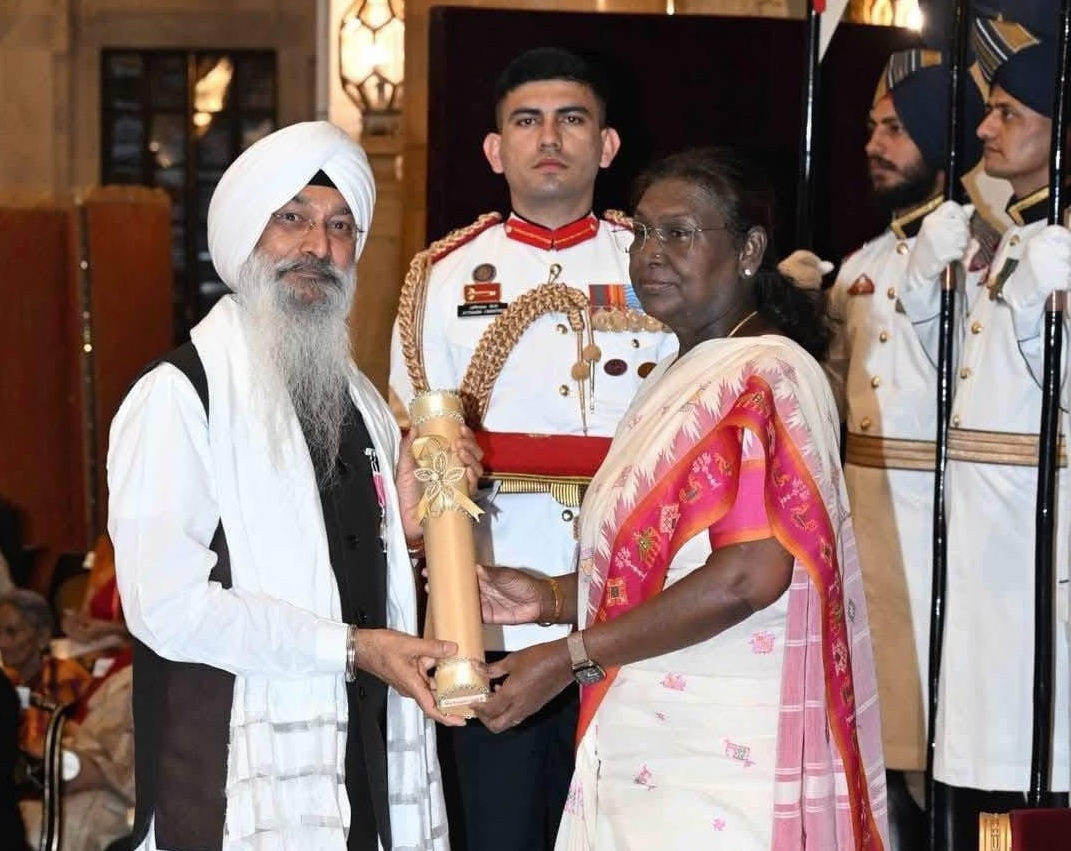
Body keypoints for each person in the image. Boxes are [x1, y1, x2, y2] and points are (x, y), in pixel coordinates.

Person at [470, 146, 889, 850]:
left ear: (748, 250)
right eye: (641, 232)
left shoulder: (767, 376)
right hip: (651, 736)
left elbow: (747, 576)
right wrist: (549, 595)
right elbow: (664, 563)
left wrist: (572, 655)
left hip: (722, 750)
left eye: (678, 233)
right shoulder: (679, 373)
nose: (649, 254)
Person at [107, 120, 484, 851]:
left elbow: (353, 563)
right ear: (247, 235)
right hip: (229, 775)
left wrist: (409, 533)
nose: (318, 246)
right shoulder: (179, 395)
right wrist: (350, 648)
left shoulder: (363, 401)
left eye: (340, 226)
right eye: (292, 219)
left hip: (361, 761)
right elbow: (166, 609)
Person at [389, 47, 678, 851]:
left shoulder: (657, 261)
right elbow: (414, 455)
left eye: (570, 119)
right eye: (526, 121)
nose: (548, 138)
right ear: (495, 149)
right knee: (503, 830)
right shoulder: (441, 277)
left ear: (606, 144)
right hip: (492, 614)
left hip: (633, 607)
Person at [895, 16, 1070, 849]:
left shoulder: (1053, 248)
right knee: (977, 742)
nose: (983, 129)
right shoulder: (1020, 240)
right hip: (983, 529)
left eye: (1008, 114)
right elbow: (959, 379)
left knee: (1032, 742)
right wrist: (923, 283)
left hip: (1034, 531)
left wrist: (1044, 312)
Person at [825, 47, 996, 848]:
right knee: (878, 728)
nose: (873, 144)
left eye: (895, 129)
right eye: (871, 128)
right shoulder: (863, 262)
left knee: (939, 732)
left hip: (942, 520)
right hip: (864, 517)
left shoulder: (978, 252)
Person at [18, 645, 135, 851]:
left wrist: (97, 770)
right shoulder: (122, 677)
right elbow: (84, 730)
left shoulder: (177, 688)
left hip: (111, 806)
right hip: (69, 780)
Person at [0, 588, 91, 757]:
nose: (2, 643)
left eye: (11, 632)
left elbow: (74, 739)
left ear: (42, 636)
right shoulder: (8, 681)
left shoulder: (65, 678)